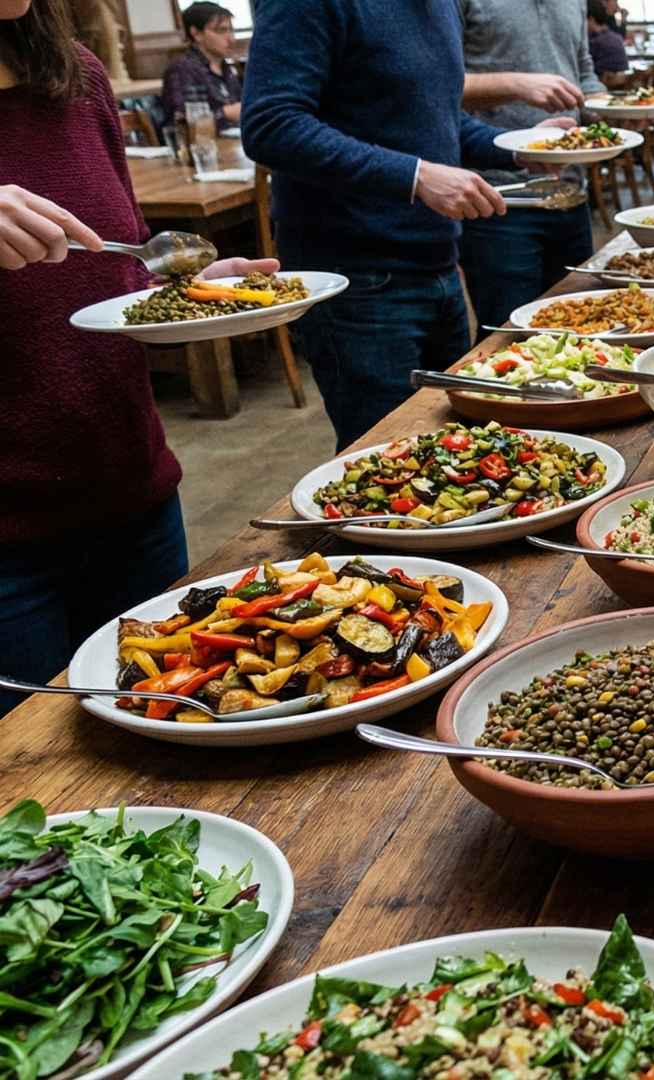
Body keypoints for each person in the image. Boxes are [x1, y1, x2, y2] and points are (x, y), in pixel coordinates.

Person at [0, 0, 273, 716]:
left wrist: (183, 293)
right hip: (7, 545)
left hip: (132, 492)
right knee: (38, 795)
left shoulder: (74, 79)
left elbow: (117, 273)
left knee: (169, 738)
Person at [243, 0, 562, 450]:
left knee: (460, 445)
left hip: (437, 265)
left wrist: (519, 148)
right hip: (357, 278)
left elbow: (436, 120)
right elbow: (271, 124)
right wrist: (415, 176)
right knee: (386, 460)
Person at [456, 0, 602, 332]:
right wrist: (517, 85)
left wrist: (613, 112)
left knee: (581, 331)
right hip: (498, 199)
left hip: (570, 194)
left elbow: (583, 72)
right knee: (510, 337)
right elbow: (438, 86)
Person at [160, 1, 242, 127]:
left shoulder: (227, 68)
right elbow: (182, 121)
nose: (231, 39)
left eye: (231, 30)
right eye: (221, 31)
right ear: (196, 33)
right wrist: (225, 114)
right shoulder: (182, 68)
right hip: (204, 145)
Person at [587, 0, 631, 78]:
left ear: (590, 19)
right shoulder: (605, 31)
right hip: (621, 79)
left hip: (605, 80)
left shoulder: (596, 40)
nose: (618, 6)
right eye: (615, 2)